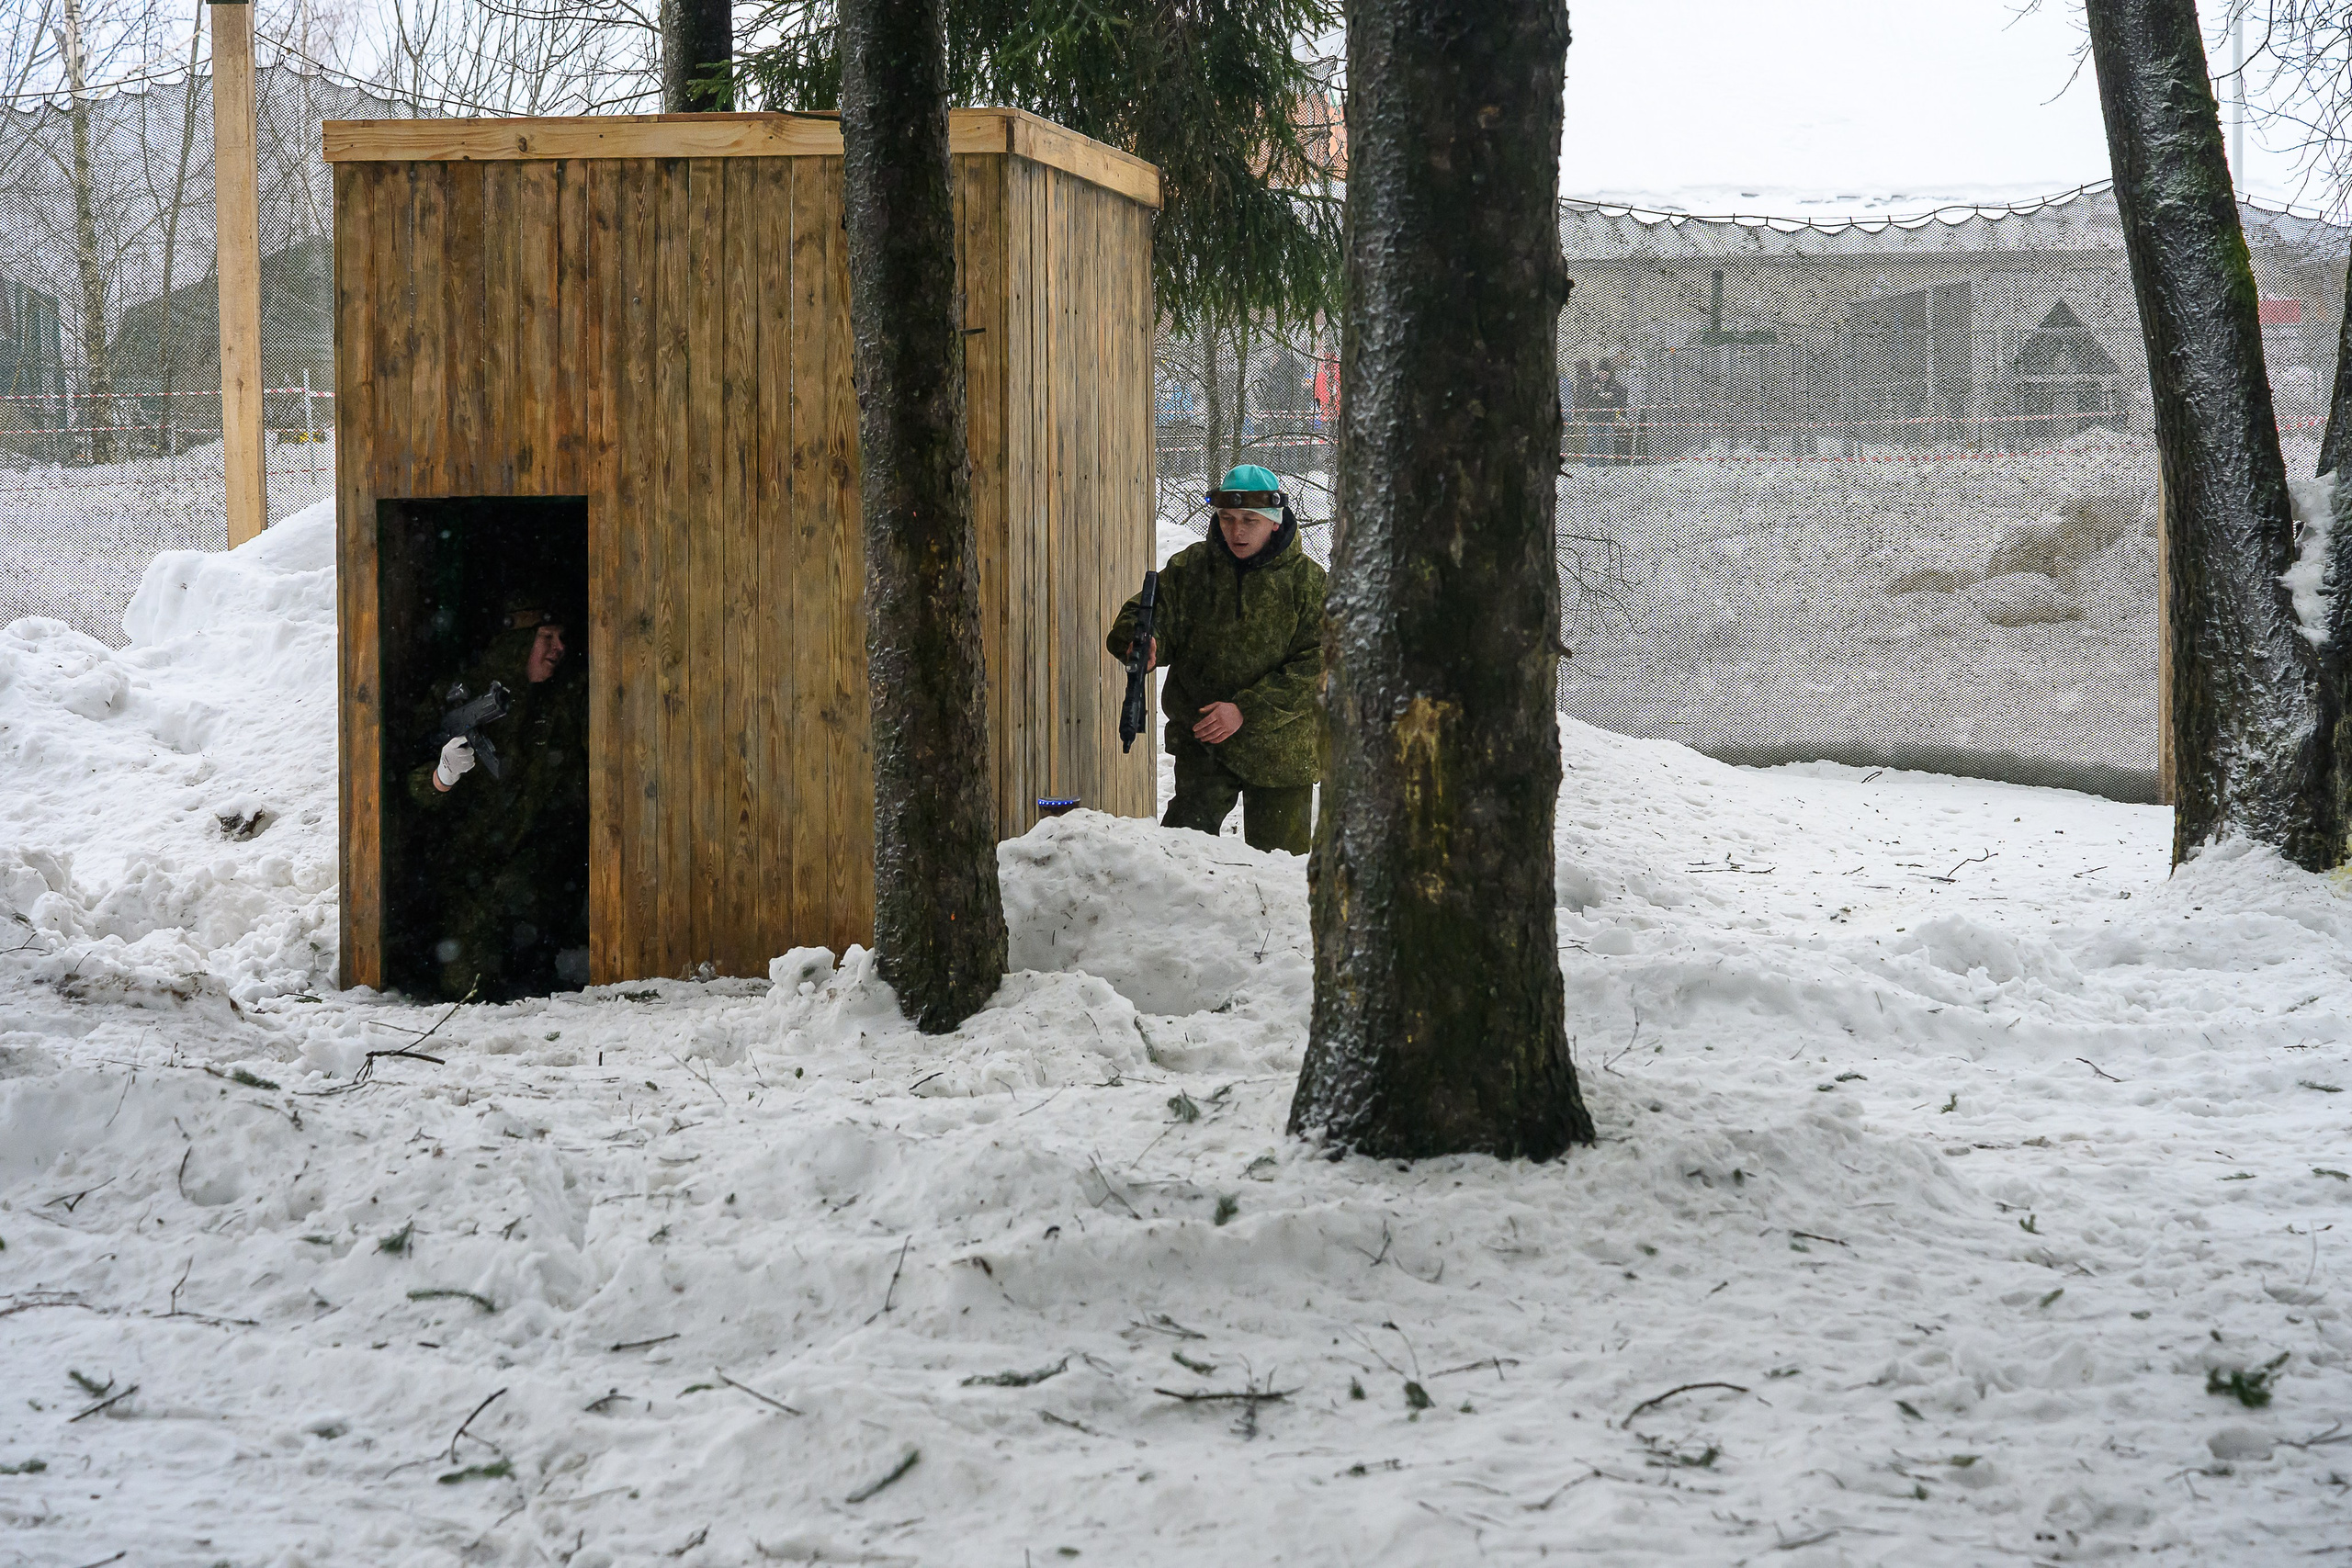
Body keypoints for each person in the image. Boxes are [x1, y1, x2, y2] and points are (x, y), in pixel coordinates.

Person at [1107, 463, 1325, 855]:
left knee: (1278, 874)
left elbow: (1320, 666)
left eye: (1249, 520)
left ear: (1275, 522)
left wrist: (1245, 709)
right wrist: (1142, 640)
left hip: (1281, 750)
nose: (1236, 531)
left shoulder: (1307, 584)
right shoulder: (1192, 569)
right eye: (1226, 518)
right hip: (1204, 741)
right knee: (1181, 861)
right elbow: (1151, 612)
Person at [405, 596, 589, 1000]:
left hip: (532, 864)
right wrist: (442, 776)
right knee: (466, 985)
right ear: (515, 643)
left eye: (560, 637)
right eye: (546, 637)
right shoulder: (456, 699)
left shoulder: (560, 702)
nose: (558, 647)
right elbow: (407, 791)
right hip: (463, 870)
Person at [1588, 359, 1630, 466]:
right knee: (1593, 444)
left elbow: (1621, 396)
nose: (1603, 375)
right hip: (1594, 419)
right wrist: (1595, 393)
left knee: (1607, 444)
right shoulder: (1592, 383)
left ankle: (1607, 466)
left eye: (1605, 372)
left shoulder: (1614, 384)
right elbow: (1587, 399)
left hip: (1607, 419)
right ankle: (1592, 467)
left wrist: (1611, 396)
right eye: (1601, 372)